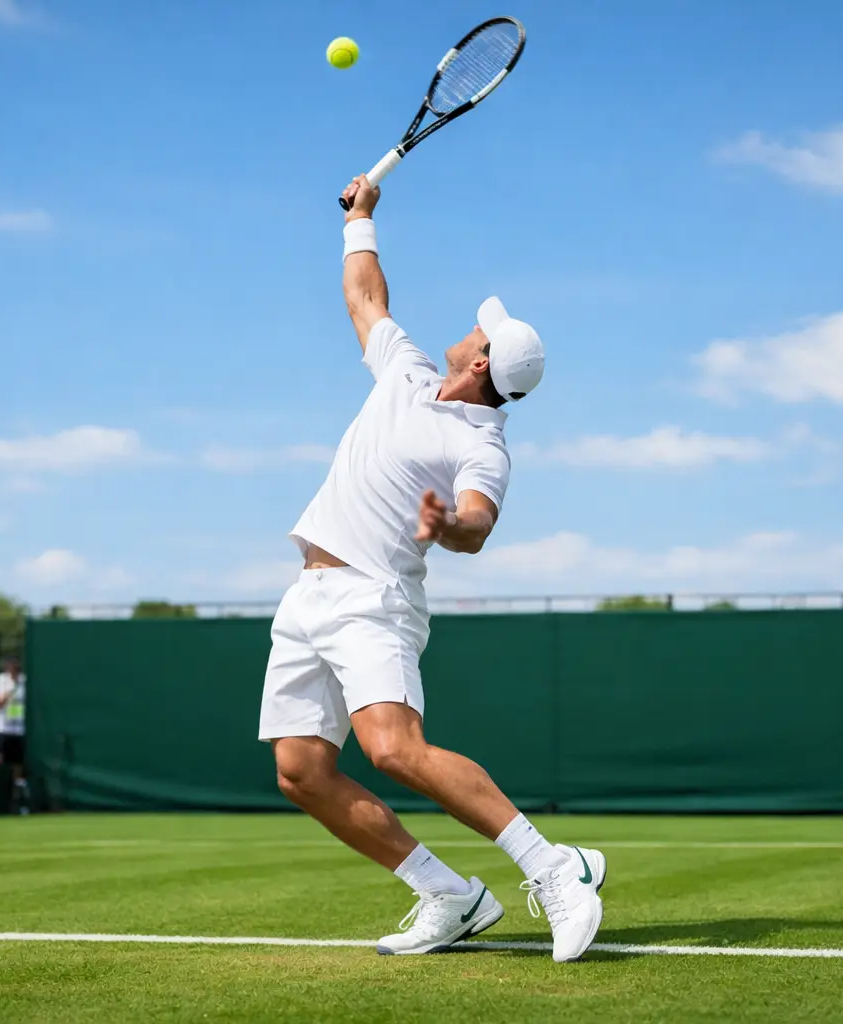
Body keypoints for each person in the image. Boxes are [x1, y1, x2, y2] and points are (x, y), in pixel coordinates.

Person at [255, 176, 605, 964]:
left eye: (478, 334)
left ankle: (554, 870)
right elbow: (364, 298)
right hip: (307, 591)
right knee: (301, 771)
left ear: (481, 364)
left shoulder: (483, 445)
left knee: (392, 748)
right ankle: (449, 894)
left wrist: (450, 524)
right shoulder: (407, 372)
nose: (465, 332)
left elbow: (478, 520)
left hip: (373, 598)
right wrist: (362, 221)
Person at [0, 657, 26, 768]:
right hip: (2, 728)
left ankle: (17, 783)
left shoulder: (25, 680)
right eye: (9, 666)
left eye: (15, 666)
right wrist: (11, 689)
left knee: (18, 761)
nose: (12, 668)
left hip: (20, 730)